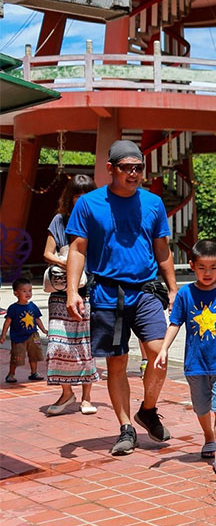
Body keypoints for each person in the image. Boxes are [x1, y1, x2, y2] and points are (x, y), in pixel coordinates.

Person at [65, 139, 178, 456]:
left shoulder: (153, 203)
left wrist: (172, 287)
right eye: (127, 168)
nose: (134, 174)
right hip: (106, 294)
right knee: (117, 364)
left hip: (145, 291)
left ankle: (148, 409)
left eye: (138, 168)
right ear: (110, 169)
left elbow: (162, 249)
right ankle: (126, 427)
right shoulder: (89, 204)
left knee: (159, 354)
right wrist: (73, 290)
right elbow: (77, 249)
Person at [155, 240, 216, 474]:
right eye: (202, 267)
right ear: (192, 265)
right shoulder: (185, 293)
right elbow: (175, 323)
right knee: (201, 407)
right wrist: (164, 348)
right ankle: (209, 436)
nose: (207, 273)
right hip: (195, 363)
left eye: (213, 267)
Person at [43, 174, 100, 415]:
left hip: (89, 292)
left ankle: (87, 397)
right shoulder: (60, 220)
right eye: (78, 194)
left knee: (85, 345)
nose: (82, 199)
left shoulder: (97, 220)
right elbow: (48, 252)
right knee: (56, 345)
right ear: (70, 196)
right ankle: (66, 393)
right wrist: (68, 263)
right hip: (60, 291)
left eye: (87, 194)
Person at [2, 278, 48, 383]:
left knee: (35, 354)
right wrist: (3, 334)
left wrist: (43, 330)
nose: (28, 293)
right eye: (24, 291)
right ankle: (11, 374)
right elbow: (7, 322)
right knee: (17, 356)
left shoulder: (33, 306)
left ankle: (34, 373)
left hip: (33, 335)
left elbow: (37, 319)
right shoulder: (13, 308)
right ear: (16, 293)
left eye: (30, 290)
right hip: (18, 337)